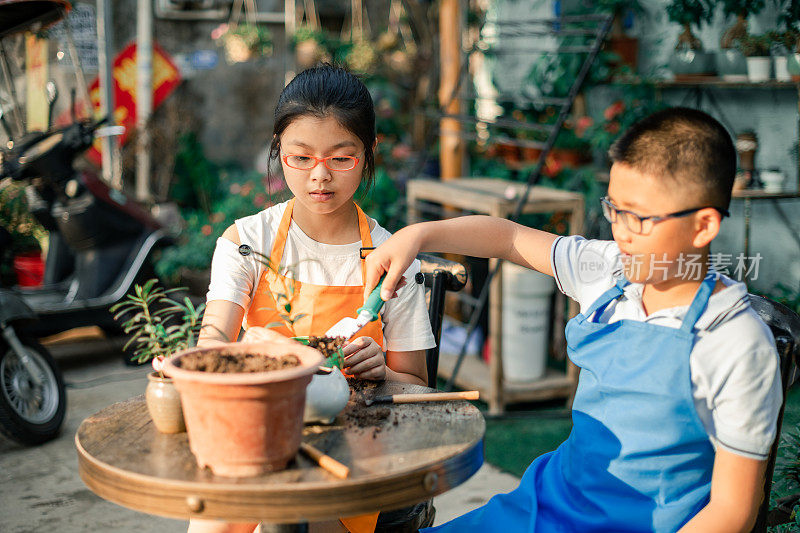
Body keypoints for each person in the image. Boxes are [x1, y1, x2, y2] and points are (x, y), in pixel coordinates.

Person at [363, 107, 782, 532]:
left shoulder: (736, 342)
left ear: (703, 225)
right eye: (614, 210)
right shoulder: (611, 269)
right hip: (546, 506)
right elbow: (508, 238)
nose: (620, 232)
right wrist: (417, 235)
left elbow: (732, 512)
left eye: (637, 217)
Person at [189, 65, 436, 533]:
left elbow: (417, 387)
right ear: (278, 149)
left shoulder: (392, 257)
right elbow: (214, 341)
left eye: (341, 159)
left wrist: (382, 367)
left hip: (349, 450)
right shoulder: (248, 241)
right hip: (256, 431)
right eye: (300, 157)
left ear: (368, 154)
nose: (319, 177)